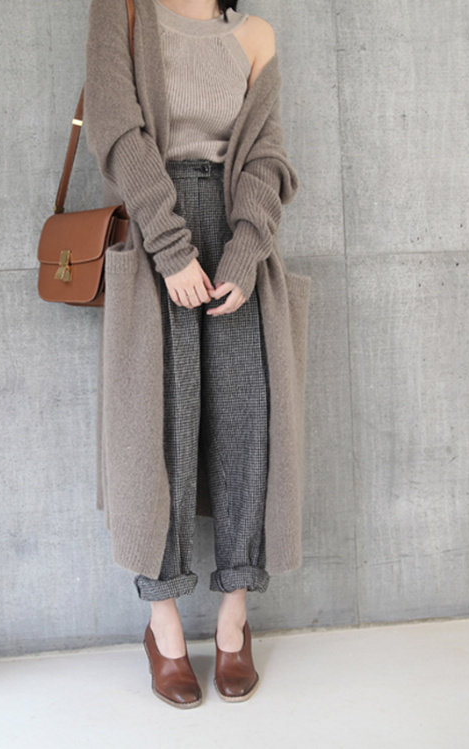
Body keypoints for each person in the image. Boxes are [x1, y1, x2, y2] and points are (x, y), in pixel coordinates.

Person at [84, 0, 308, 708]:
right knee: (160, 431)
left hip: (239, 236)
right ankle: (165, 626)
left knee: (247, 425)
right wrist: (171, 246)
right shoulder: (123, 12)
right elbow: (116, 129)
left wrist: (245, 251)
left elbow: (266, 156)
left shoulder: (255, 34)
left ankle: (236, 617)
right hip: (156, 226)